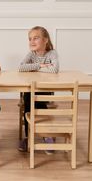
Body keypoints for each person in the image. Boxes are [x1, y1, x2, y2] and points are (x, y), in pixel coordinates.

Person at [18, 26, 59, 154]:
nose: (32, 41)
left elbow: (54, 69)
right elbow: (21, 67)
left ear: (45, 40)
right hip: (31, 88)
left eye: (36, 38)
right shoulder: (32, 54)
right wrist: (41, 65)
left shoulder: (52, 53)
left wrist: (33, 68)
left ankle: (45, 135)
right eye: (30, 39)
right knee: (29, 99)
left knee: (36, 101)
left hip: (45, 88)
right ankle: (29, 136)